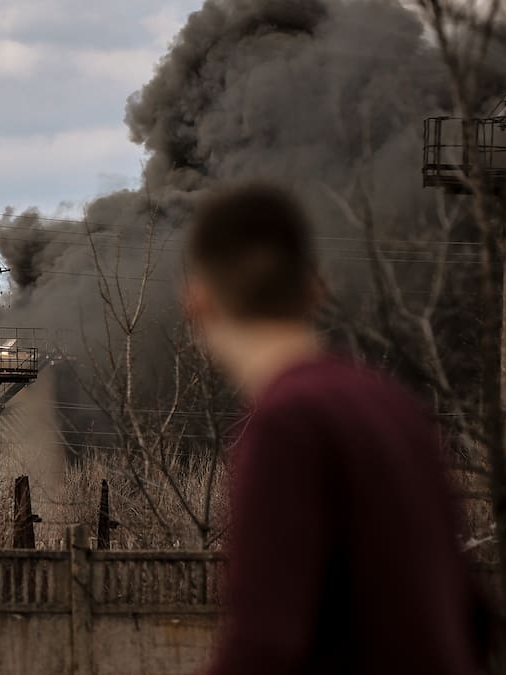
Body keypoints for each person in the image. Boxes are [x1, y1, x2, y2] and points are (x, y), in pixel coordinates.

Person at [184, 183, 486, 675]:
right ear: (315, 289)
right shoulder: (396, 406)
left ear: (197, 303)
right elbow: (472, 615)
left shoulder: (286, 423)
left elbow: (264, 646)